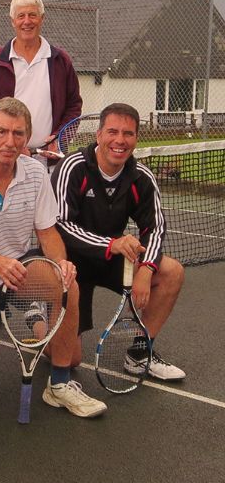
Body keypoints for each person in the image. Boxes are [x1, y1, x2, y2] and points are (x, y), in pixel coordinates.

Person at [0, 97, 106, 418]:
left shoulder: (34, 172)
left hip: (18, 273)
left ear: (27, 136)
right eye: (2, 131)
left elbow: (47, 233)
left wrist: (61, 262)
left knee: (67, 292)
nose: (10, 141)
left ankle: (59, 385)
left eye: (18, 133)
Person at [51, 102, 186, 379]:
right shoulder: (72, 168)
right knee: (70, 359)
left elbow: (156, 228)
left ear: (136, 138)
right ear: (98, 135)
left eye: (128, 133)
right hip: (70, 267)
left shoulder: (141, 177)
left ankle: (139, 354)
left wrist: (147, 270)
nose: (120, 140)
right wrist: (110, 244)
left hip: (112, 262)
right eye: (113, 131)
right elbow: (61, 225)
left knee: (171, 272)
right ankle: (40, 319)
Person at [0, 0, 82, 164]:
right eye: (21, 16)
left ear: (42, 18)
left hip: (50, 161)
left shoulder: (61, 60)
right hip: (6, 158)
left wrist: (59, 138)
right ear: (12, 21)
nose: (27, 21)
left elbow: (74, 105)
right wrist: (7, 142)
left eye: (32, 15)